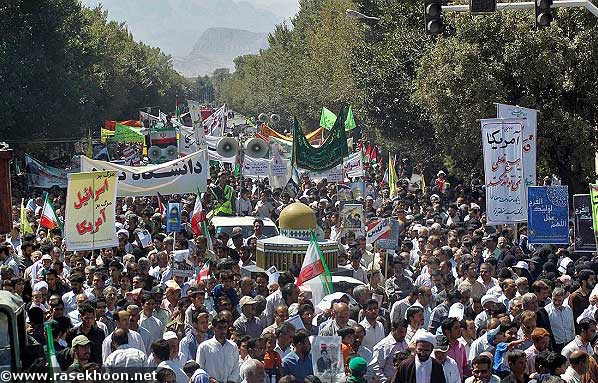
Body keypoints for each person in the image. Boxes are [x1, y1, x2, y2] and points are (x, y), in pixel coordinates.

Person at [196, 314, 240, 383]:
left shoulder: (233, 346)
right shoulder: (204, 347)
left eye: (225, 327)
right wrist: (210, 379)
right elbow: (199, 369)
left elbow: (236, 367)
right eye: (220, 328)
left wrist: (231, 380)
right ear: (213, 328)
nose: (223, 331)